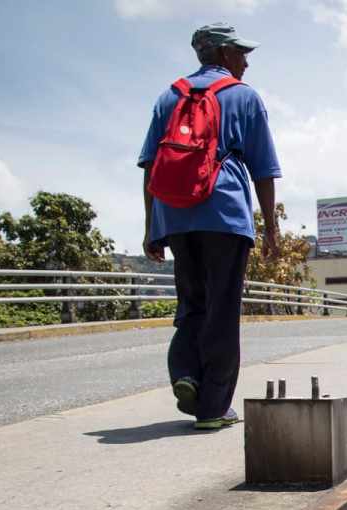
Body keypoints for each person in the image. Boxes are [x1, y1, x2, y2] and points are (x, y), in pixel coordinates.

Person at [138, 22, 281, 430]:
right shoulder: (243, 97)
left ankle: (185, 372)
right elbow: (264, 169)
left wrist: (152, 226)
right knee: (221, 308)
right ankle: (213, 406)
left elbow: (150, 165)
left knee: (192, 302)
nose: (247, 61)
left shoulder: (169, 97)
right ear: (222, 54)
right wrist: (270, 227)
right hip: (225, 213)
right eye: (241, 52)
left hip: (176, 214)